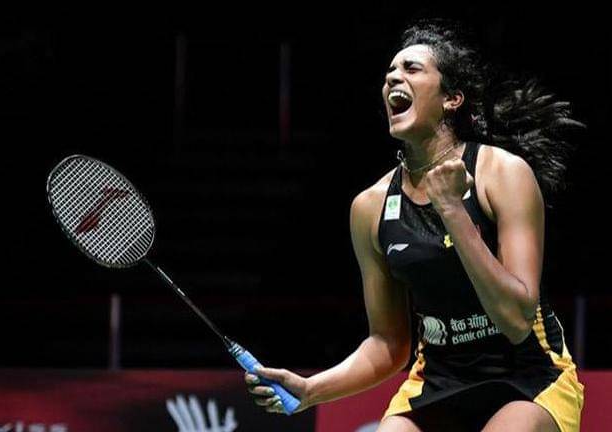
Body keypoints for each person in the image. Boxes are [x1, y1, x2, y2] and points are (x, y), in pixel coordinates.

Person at [245, 19, 585, 431]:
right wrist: (311, 389)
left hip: (529, 375)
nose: (393, 78)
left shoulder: (502, 174)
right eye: (389, 72)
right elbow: (389, 343)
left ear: (452, 99)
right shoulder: (370, 207)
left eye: (411, 68)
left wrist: (453, 210)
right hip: (438, 381)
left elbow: (516, 321)